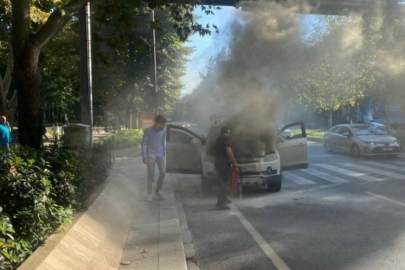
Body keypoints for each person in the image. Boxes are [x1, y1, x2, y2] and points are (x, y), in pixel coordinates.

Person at [141, 115, 168, 202]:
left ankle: (158, 191)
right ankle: (149, 194)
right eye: (162, 124)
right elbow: (144, 144)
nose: (163, 126)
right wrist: (144, 155)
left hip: (160, 155)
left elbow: (163, 142)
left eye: (164, 125)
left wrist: (164, 153)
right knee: (151, 175)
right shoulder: (148, 131)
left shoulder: (163, 131)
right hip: (150, 155)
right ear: (156, 123)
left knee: (163, 172)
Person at [214, 126, 238, 210]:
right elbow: (228, 150)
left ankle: (224, 199)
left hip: (218, 163)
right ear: (227, 131)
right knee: (223, 183)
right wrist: (234, 162)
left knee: (222, 182)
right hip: (223, 164)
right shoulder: (226, 138)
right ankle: (220, 204)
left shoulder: (219, 139)